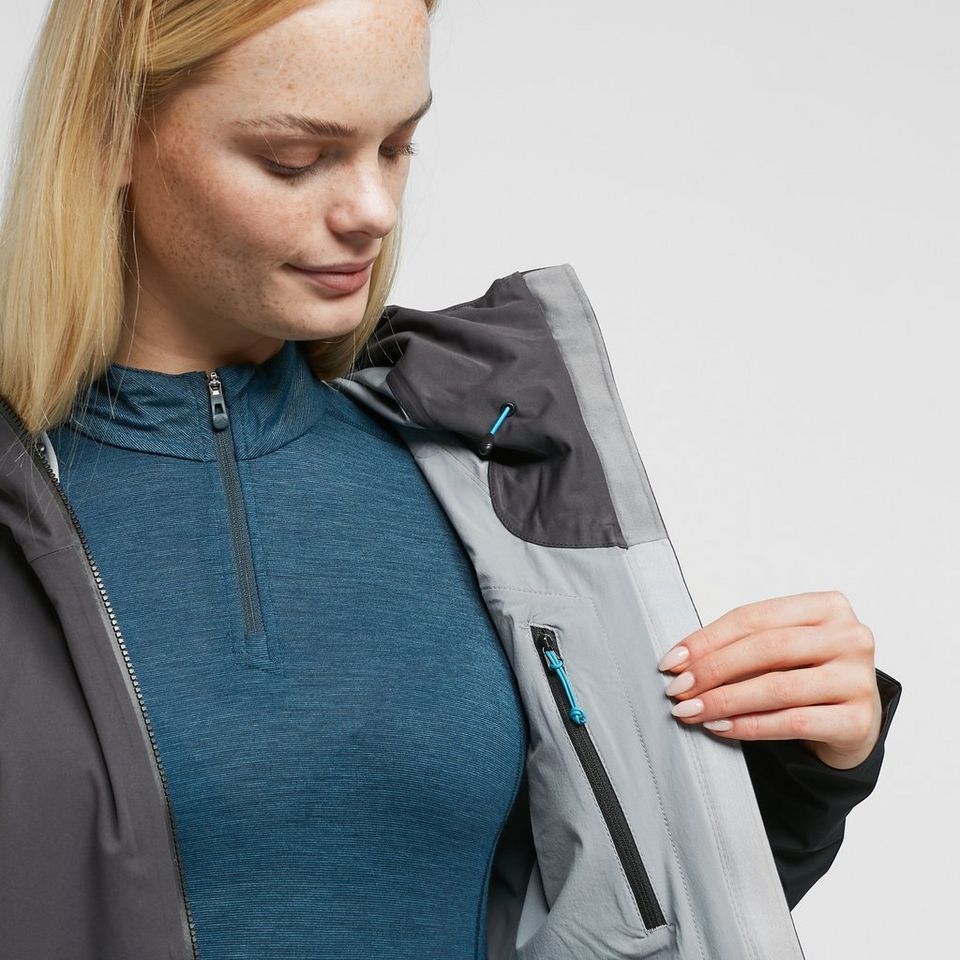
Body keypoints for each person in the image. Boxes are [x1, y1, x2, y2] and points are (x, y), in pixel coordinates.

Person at [0, 2, 902, 959]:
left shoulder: (477, 477)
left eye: (397, 146)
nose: (374, 209)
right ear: (112, 133)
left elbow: (606, 914)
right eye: (294, 158)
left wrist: (799, 768)